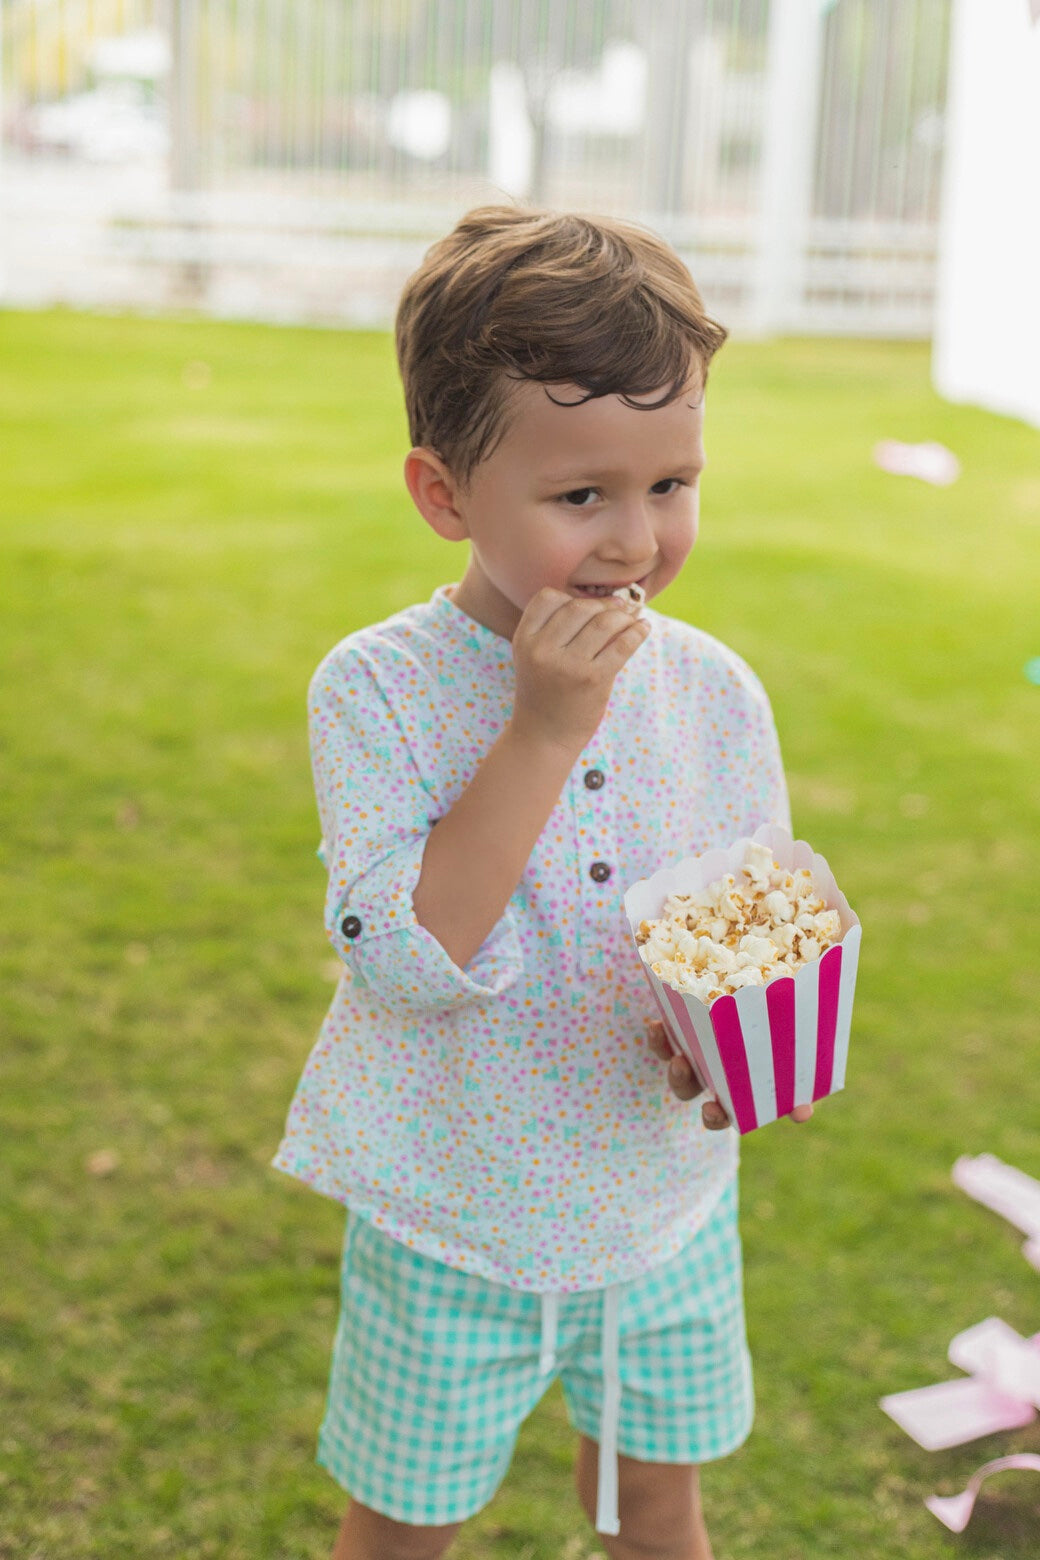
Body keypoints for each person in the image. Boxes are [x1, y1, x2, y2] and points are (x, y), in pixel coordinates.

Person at [273, 204, 810, 1560]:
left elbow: (745, 927)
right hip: (451, 1212)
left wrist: (726, 1040)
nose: (636, 540)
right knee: (405, 1521)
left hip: (657, 1203)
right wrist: (541, 732)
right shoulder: (377, 692)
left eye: (670, 485)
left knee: (651, 1504)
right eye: (583, 497)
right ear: (446, 495)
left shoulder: (716, 694)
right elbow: (402, 960)